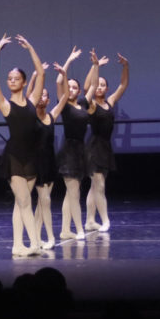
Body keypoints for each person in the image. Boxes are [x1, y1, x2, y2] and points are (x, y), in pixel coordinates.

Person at [0, 34, 44, 256]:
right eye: (9, 78)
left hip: (32, 157)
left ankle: (17, 245)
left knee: (20, 204)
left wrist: (30, 47)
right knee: (24, 202)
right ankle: (35, 244)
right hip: (14, 158)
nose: (11, 81)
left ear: (23, 81)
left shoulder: (32, 101)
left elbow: (40, 73)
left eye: (15, 78)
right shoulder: (5, 105)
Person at [84, 51, 129, 232]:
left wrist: (125, 66)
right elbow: (88, 86)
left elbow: (123, 85)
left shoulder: (110, 102)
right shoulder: (92, 105)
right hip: (93, 148)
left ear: (107, 89)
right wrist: (95, 66)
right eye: (99, 85)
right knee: (100, 185)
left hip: (106, 148)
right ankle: (105, 220)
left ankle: (89, 221)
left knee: (94, 188)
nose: (100, 87)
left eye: (103, 85)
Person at [26, 62, 69, 249]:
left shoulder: (52, 115)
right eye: (40, 94)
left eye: (45, 95)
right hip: (34, 163)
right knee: (45, 201)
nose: (42, 97)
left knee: (42, 203)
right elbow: (28, 96)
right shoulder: (30, 115)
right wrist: (35, 76)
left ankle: (36, 238)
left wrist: (64, 75)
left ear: (49, 101)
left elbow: (66, 96)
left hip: (50, 162)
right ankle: (50, 237)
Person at [56, 47, 97, 240]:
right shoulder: (64, 105)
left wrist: (95, 66)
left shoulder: (82, 104)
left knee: (71, 193)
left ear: (79, 91)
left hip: (81, 150)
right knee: (74, 193)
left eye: (74, 88)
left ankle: (65, 230)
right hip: (69, 151)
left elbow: (93, 87)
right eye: (68, 87)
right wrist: (68, 62)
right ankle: (79, 229)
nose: (71, 90)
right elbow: (58, 82)